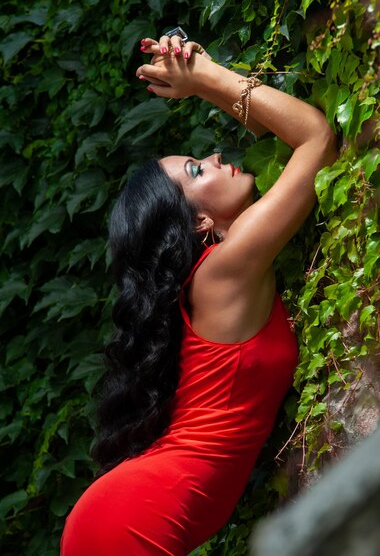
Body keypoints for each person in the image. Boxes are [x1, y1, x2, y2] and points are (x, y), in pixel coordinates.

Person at [60, 30, 337, 556]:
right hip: (130, 515)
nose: (213, 156)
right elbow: (316, 139)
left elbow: (295, 133)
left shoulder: (216, 278)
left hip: (128, 509)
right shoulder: (221, 273)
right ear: (200, 223)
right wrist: (206, 78)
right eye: (196, 170)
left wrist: (200, 83)